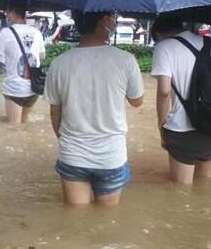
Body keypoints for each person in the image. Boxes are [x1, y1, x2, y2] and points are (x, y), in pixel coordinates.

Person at [44, 11, 144, 207]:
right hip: (111, 156)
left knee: (75, 220)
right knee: (106, 223)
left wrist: (67, 142)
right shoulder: (125, 60)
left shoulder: (59, 63)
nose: (114, 21)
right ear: (105, 21)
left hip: (73, 154)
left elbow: (55, 112)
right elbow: (137, 101)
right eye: (113, 17)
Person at [150, 17, 211, 185]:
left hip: (181, 127)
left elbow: (164, 91)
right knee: (202, 183)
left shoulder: (164, 47)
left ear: (159, 33)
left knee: (181, 188)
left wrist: (161, 124)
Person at [0, 4, 45, 123]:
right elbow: (42, 56)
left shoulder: (7, 32)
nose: (5, 14)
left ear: (12, 13)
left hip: (15, 88)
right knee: (24, 123)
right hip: (33, 88)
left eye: (6, 11)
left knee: (13, 127)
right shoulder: (36, 32)